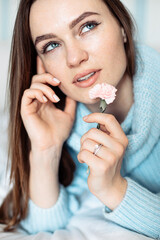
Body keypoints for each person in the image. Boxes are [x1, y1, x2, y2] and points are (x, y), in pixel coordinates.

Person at [0, 0, 160, 238]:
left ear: (123, 28)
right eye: (52, 45)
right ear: (41, 64)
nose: (74, 58)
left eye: (87, 26)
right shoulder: (62, 127)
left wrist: (114, 189)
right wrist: (47, 150)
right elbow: (40, 228)